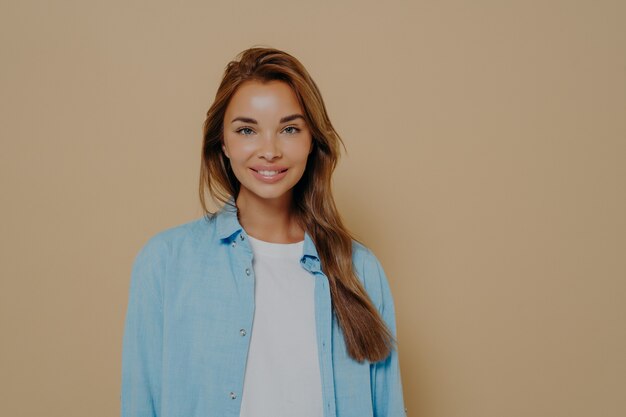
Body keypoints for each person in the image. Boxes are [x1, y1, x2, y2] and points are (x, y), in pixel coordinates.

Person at [121, 46, 407, 417]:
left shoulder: (361, 270)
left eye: (289, 129)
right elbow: (140, 402)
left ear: (311, 141)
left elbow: (388, 406)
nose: (269, 151)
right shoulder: (165, 263)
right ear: (222, 142)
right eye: (246, 130)